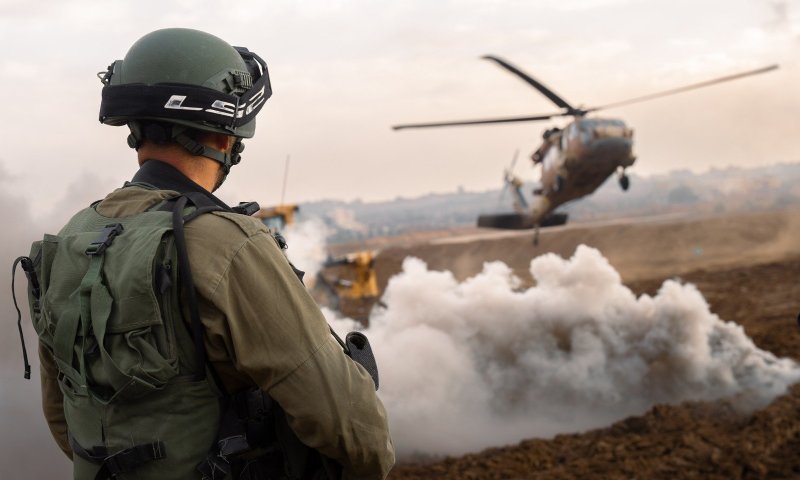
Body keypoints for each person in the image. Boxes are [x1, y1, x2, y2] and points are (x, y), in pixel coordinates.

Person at [29, 28, 394, 479]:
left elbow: (64, 419)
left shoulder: (68, 240)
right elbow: (347, 424)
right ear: (225, 137)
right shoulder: (226, 244)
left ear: (135, 131)